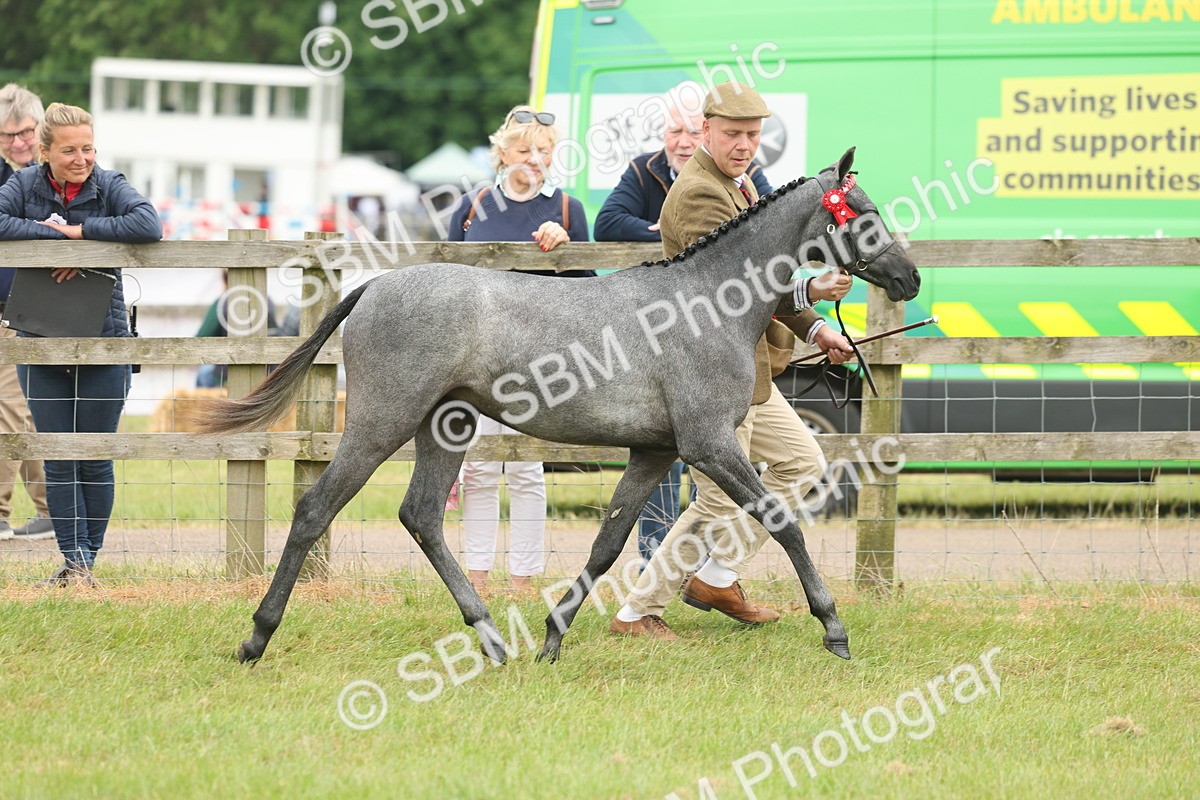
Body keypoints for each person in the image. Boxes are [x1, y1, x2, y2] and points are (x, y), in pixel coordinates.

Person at [609, 82, 855, 639]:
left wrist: (816, 329)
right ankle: (637, 612)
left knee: (802, 462)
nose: (744, 145)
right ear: (707, 130)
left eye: (753, 134)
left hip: (748, 372)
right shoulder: (699, 193)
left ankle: (718, 577)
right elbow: (736, 288)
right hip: (708, 374)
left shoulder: (739, 184)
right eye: (733, 134)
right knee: (719, 498)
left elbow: (765, 278)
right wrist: (809, 291)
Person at [594, 90, 774, 565]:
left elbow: (771, 241)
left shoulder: (748, 179)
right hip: (672, 333)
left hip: (719, 340)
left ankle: (698, 573)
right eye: (674, 130)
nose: (681, 140)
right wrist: (654, 230)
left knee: (706, 464)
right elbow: (606, 223)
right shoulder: (650, 172)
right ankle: (658, 572)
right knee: (668, 457)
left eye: (689, 131)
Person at [0, 102, 163, 585]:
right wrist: (51, 239)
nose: (82, 159)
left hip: (104, 340)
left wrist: (81, 236)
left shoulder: (109, 184)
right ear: (45, 152)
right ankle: (74, 561)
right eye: (69, 150)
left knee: (93, 455)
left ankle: (85, 562)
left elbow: (148, 224)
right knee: (58, 455)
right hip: (40, 338)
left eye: (88, 148)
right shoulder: (23, 185)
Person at [446, 106, 593, 594]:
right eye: (524, 149)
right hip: (476, 360)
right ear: (503, 152)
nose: (534, 158)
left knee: (527, 470)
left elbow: (588, 288)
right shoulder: (472, 207)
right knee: (480, 468)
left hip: (538, 361)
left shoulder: (568, 209)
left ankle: (523, 579)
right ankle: (478, 576)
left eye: (544, 150)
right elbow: (443, 279)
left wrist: (566, 245)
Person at [0, 83, 54, 542]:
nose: (17, 142)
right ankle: (51, 507)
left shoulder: (58, 177)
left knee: (8, 408)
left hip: (34, 309)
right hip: (9, 306)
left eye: (25, 132)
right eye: (6, 134)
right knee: (25, 410)